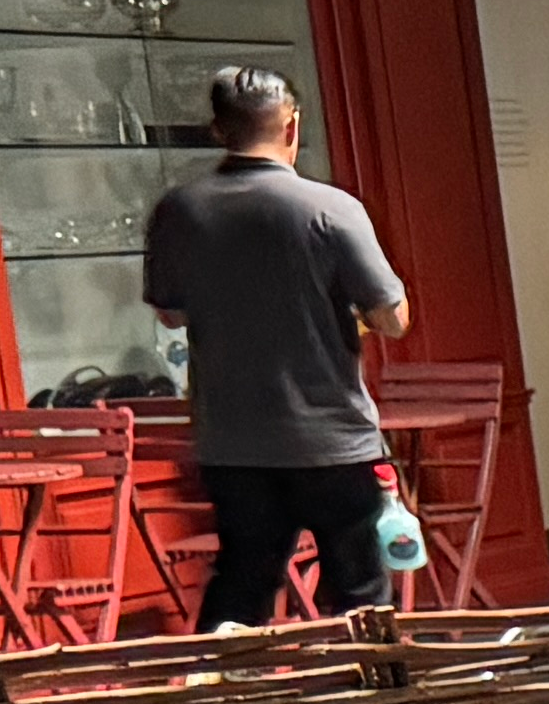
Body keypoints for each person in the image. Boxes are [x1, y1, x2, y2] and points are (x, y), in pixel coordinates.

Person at [140, 66, 412, 625]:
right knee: (359, 591)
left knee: (241, 582)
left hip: (231, 439)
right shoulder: (331, 208)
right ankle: (381, 700)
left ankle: (217, 698)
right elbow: (392, 319)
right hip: (331, 437)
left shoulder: (178, 210)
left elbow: (169, 310)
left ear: (218, 130)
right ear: (292, 126)